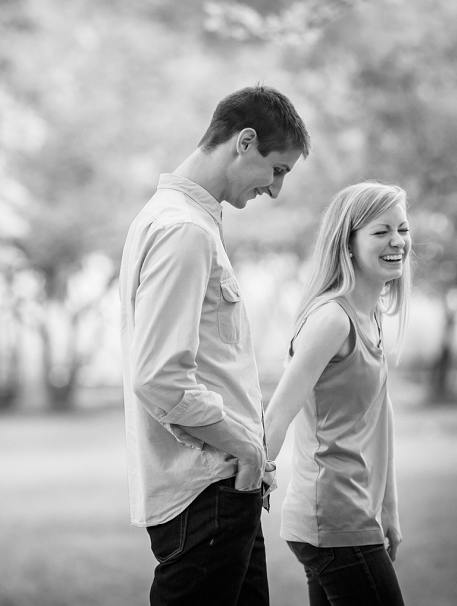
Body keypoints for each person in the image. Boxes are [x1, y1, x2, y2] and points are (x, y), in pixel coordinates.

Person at [119, 85, 311, 606]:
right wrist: (247, 447)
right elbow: (158, 377)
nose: (275, 190)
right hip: (208, 493)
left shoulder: (182, 221)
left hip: (227, 489)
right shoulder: (184, 231)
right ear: (244, 142)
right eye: (278, 170)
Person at [264, 181, 412, 605]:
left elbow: (380, 422)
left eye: (402, 229)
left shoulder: (371, 316)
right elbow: (277, 415)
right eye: (381, 231)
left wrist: (389, 508)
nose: (397, 241)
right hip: (332, 517)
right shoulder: (332, 319)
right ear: (347, 244)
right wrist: (244, 496)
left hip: (352, 514)